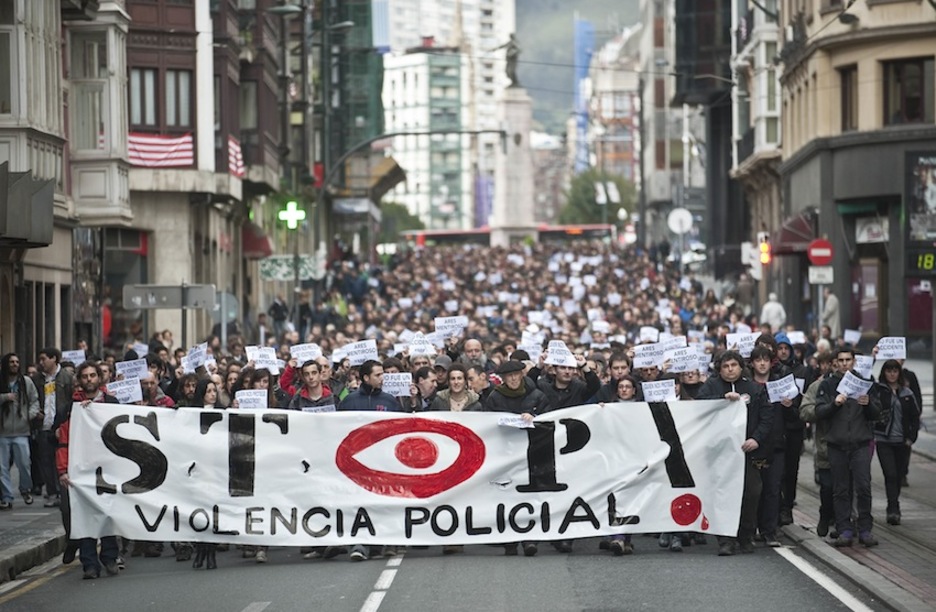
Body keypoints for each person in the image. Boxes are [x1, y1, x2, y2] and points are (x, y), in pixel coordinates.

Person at [696, 350, 774, 556]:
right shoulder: (711, 387)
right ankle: (725, 539)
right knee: (723, 494)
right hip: (720, 453)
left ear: (741, 367)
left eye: (734, 365)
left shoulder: (754, 389)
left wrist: (755, 439)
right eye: (725, 366)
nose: (730, 370)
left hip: (746, 453)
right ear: (719, 369)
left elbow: (767, 417)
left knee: (751, 492)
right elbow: (699, 408)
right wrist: (721, 399)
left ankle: (746, 535)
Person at [57, 361, 121, 579]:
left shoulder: (112, 403)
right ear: (79, 380)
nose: (89, 380)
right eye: (85, 376)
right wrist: (62, 470)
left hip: (108, 469)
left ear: (99, 378)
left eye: (93, 375)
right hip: (80, 472)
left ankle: (110, 557)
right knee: (85, 517)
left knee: (107, 514)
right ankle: (89, 564)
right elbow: (62, 440)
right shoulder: (70, 408)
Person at [333, 360, 401, 561]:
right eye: (378, 375)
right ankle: (360, 543)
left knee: (382, 502)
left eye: (382, 375)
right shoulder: (348, 402)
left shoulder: (390, 401)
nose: (382, 378)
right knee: (359, 503)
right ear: (365, 378)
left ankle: (383, 541)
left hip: (383, 464)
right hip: (356, 465)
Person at [483, 359, 552, 557]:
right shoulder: (495, 398)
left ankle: (529, 538)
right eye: (508, 376)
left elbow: (549, 420)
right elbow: (487, 423)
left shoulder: (537, 395)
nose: (513, 379)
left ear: (522, 375)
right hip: (505, 453)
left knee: (528, 496)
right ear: (503, 379)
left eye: (516, 375)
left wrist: (535, 417)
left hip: (531, 453)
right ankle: (510, 541)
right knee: (506, 495)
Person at [815, 348, 882, 547]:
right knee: (841, 490)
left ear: (854, 362)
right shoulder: (828, 384)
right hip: (837, 444)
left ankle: (865, 529)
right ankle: (844, 529)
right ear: (835, 362)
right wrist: (835, 404)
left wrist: (868, 404)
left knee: (863, 487)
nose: (844, 363)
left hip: (860, 443)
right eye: (841, 360)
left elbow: (877, 413)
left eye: (848, 360)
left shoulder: (865, 383)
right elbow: (819, 411)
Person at [874, 360, 920, 526]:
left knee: (899, 475)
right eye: (889, 371)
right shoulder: (879, 391)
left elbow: (915, 417)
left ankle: (894, 503)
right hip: (883, 440)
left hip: (902, 441)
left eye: (895, 371)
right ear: (884, 373)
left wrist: (911, 438)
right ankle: (893, 508)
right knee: (890, 474)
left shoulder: (907, 393)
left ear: (899, 373)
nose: (892, 374)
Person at [33, 347, 75, 508]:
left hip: (61, 426)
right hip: (44, 426)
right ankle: (52, 492)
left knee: (62, 459)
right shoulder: (37, 379)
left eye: (44, 359)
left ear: (54, 359)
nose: (41, 362)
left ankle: (62, 491)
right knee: (45, 460)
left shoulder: (66, 377)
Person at [0, 353, 40, 509]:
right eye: (11, 362)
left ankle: (25, 489)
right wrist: (5, 397)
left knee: (24, 464)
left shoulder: (26, 382)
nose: (15, 364)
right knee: (2, 467)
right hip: (2, 432)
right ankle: (7, 496)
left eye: (17, 361)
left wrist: (28, 417)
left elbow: (34, 401)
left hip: (22, 431)